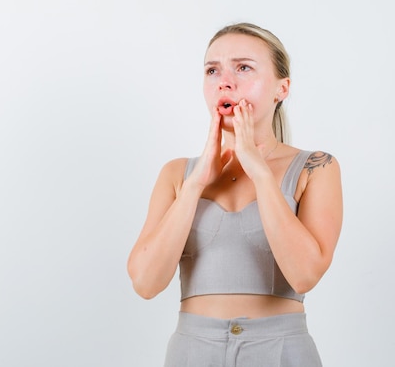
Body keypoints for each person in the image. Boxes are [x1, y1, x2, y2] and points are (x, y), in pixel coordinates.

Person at [127, 23, 343, 366]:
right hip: (192, 351)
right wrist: (196, 185)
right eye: (213, 70)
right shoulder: (177, 174)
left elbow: (305, 275)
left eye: (243, 67)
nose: (224, 81)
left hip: (282, 350)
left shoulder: (315, 167)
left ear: (281, 88)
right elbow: (145, 283)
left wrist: (259, 172)